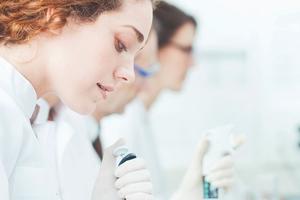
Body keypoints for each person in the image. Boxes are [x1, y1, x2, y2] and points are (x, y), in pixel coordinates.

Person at [0, 0, 156, 199]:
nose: (130, 74)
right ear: (55, 14)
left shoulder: (22, 117)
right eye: (121, 44)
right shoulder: (5, 113)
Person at [101, 2, 236, 200]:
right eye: (186, 49)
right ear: (155, 47)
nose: (193, 63)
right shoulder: (122, 121)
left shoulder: (140, 116)